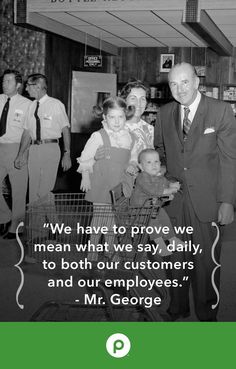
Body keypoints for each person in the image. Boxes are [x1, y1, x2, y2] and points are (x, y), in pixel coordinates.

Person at [154, 62, 236, 321]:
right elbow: (160, 152)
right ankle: (177, 308)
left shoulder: (220, 110)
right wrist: (160, 177)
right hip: (174, 200)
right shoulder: (164, 113)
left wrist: (227, 201)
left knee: (206, 262)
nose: (180, 89)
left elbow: (229, 159)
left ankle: (207, 311)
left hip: (208, 200)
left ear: (197, 81)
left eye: (185, 82)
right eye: (174, 84)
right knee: (175, 257)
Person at [77, 96, 138, 260]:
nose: (117, 121)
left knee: (112, 220)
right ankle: (96, 251)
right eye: (112, 117)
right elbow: (86, 158)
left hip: (118, 185)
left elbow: (133, 157)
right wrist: (85, 177)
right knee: (100, 218)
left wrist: (133, 165)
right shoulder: (98, 136)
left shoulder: (131, 137)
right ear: (104, 117)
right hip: (100, 183)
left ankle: (108, 250)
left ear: (126, 116)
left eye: (121, 117)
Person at [15, 73, 71, 203]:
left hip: (50, 149)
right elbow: (27, 132)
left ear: (38, 86)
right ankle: (42, 223)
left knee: (44, 190)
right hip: (34, 150)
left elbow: (65, 129)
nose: (26, 88)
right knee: (34, 191)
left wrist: (67, 153)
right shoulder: (31, 106)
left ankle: (51, 222)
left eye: (28, 85)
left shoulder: (56, 104)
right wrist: (21, 154)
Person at [130, 148, 183, 256]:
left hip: (150, 207)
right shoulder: (142, 178)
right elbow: (153, 191)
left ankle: (172, 239)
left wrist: (171, 185)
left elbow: (164, 182)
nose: (154, 165)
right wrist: (168, 191)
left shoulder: (156, 176)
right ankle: (160, 246)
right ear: (141, 166)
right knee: (153, 222)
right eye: (149, 162)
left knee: (163, 216)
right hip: (139, 211)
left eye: (156, 161)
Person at [0, 69, 31, 239]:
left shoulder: (27, 104)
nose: (5, 84)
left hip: (17, 147)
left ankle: (16, 227)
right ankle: (4, 217)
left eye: (8, 81)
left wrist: (22, 153)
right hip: (0, 147)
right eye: (3, 81)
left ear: (18, 85)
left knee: (18, 191)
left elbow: (28, 132)